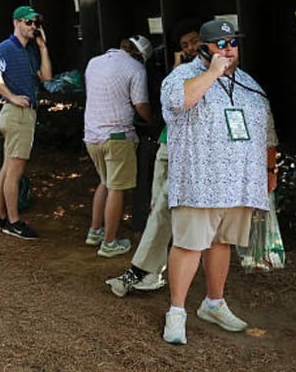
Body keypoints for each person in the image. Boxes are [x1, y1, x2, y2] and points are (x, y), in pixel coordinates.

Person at [160, 19, 278, 345]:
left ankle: (214, 302)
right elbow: (178, 102)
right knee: (188, 245)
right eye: (221, 44)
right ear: (203, 48)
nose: (229, 50)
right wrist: (212, 73)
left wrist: (270, 170)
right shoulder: (182, 77)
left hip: (239, 182)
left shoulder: (248, 83)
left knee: (222, 242)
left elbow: (267, 131)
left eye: (233, 43)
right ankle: (176, 312)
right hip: (199, 183)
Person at [105, 21, 200, 296]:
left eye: (194, 42)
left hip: (188, 151)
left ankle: (139, 270)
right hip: (167, 143)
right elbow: (169, 102)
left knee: (162, 211)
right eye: (184, 45)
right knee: (158, 208)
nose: (190, 49)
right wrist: (177, 68)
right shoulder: (177, 72)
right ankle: (153, 272)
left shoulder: (210, 75)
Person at [0, 5, 52, 240]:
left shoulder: (29, 50)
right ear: (16, 23)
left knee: (7, 167)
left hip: (20, 114)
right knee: (15, 171)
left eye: (35, 23)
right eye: (28, 22)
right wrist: (11, 96)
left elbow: (47, 76)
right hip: (17, 114)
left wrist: (42, 47)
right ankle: (14, 222)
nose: (33, 26)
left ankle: (1, 217)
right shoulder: (7, 47)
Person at [83, 35, 152, 257]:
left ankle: (95, 232)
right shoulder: (136, 68)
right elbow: (140, 104)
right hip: (118, 137)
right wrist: (152, 121)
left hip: (92, 135)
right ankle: (109, 243)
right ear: (140, 55)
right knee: (116, 188)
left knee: (104, 182)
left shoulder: (94, 62)